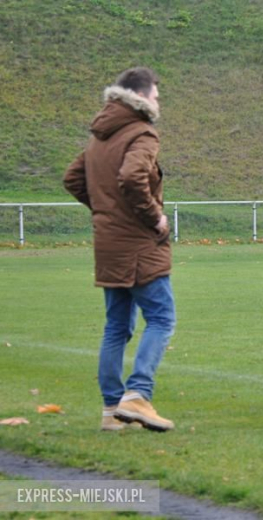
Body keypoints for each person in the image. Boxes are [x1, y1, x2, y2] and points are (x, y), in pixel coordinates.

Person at [63, 67, 176, 431]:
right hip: (139, 246)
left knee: (116, 326)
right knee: (161, 317)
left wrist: (106, 212)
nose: (159, 101)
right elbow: (131, 177)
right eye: (156, 95)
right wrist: (154, 217)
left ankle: (112, 411)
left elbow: (73, 179)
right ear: (141, 96)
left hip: (108, 245)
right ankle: (138, 395)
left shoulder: (100, 135)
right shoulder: (141, 132)